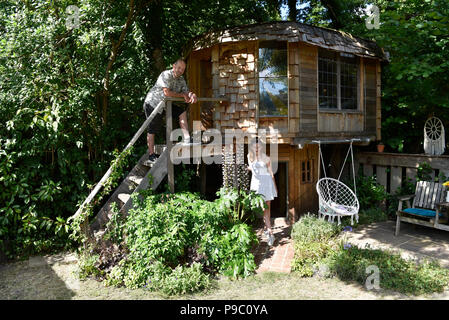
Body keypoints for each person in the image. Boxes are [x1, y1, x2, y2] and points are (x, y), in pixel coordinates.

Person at [142, 58, 198, 163]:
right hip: (153, 103)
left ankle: (187, 139)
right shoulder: (165, 75)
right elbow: (167, 92)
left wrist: (192, 94)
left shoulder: (181, 79)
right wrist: (182, 95)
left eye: (183, 69)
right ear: (173, 66)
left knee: (181, 112)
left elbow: (186, 91)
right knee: (152, 128)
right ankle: (151, 155)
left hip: (166, 104)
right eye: (179, 67)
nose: (180, 70)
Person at [247, 141, 278, 246]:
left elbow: (271, 173)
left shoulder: (266, 158)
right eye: (254, 146)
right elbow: (252, 169)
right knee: (262, 209)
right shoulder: (250, 157)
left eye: (258, 146)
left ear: (262, 147)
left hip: (267, 184)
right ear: (251, 147)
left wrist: (275, 187)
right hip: (257, 185)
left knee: (266, 209)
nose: (256, 148)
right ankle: (266, 228)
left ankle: (270, 233)